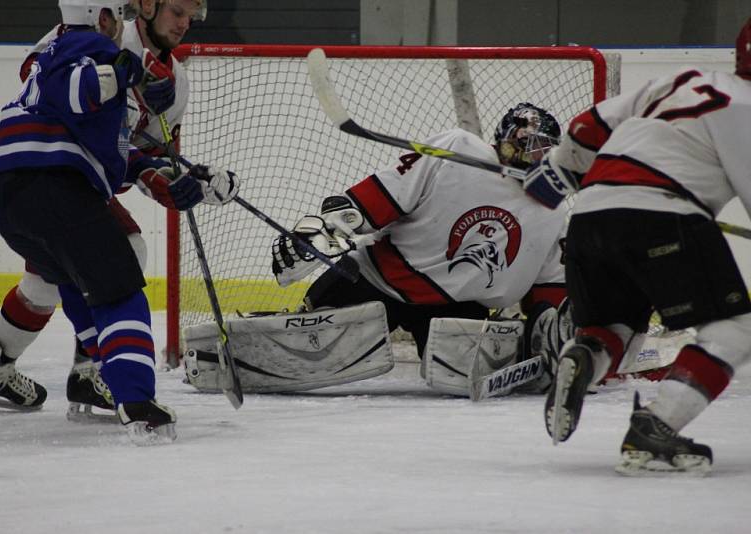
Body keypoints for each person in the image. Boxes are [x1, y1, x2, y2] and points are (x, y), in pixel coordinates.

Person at [0, 0, 235, 443]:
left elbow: (132, 155)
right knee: (121, 261)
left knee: (56, 277)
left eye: (192, 15)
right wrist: (129, 74)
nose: (184, 24)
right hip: (56, 171)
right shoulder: (98, 36)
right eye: (176, 12)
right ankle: (117, 386)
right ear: (145, 7)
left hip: (24, 184)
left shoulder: (178, 85)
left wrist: (179, 183)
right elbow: (48, 78)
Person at [523, 18, 751, 474]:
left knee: (615, 326)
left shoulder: (683, 81)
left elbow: (588, 127)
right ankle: (655, 430)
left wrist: (563, 169)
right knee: (733, 329)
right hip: (662, 212)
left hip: (589, 214)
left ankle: (583, 354)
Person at [265, 103, 572, 392]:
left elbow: (550, 286)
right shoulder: (457, 149)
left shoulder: (552, 209)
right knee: (312, 352)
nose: (533, 156)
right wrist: (328, 229)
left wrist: (550, 331)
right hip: (377, 280)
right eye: (527, 145)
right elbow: (377, 200)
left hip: (458, 307)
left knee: (465, 376)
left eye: (543, 149)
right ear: (506, 140)